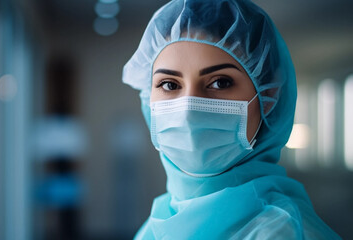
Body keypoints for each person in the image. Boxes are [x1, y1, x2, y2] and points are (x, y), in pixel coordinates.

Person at [122, 0, 341, 239]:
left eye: (220, 82)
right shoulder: (162, 217)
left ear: (268, 96)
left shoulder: (283, 232)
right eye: (169, 84)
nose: (188, 110)